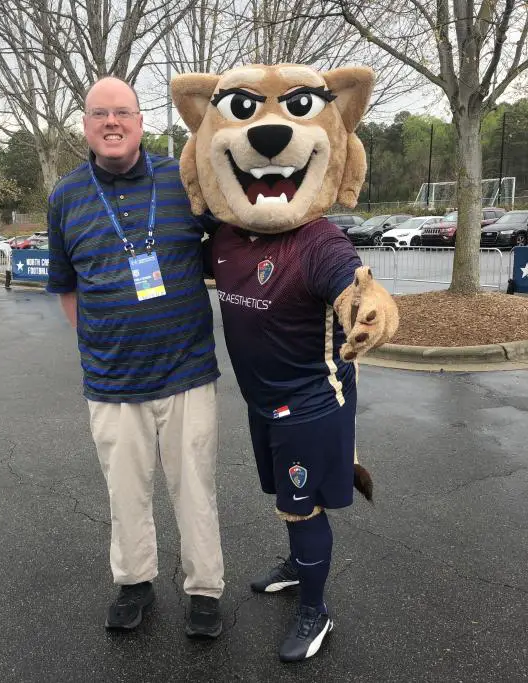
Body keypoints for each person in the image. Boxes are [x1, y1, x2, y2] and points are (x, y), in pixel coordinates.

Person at [172, 64, 398, 662]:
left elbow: (355, 287)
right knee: (283, 497)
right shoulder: (224, 239)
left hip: (311, 404)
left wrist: (368, 310)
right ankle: (299, 562)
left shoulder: (318, 240)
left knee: (304, 505)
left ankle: (314, 610)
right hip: (261, 403)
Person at [46, 76, 224, 638]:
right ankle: (134, 583)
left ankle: (204, 589)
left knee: (195, 489)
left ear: (142, 122)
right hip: (111, 379)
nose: (112, 123)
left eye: (123, 112)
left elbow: (233, 248)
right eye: (100, 114)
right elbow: (66, 285)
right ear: (85, 125)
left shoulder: (185, 180)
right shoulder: (66, 196)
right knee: (124, 493)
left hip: (187, 373)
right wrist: (98, 342)